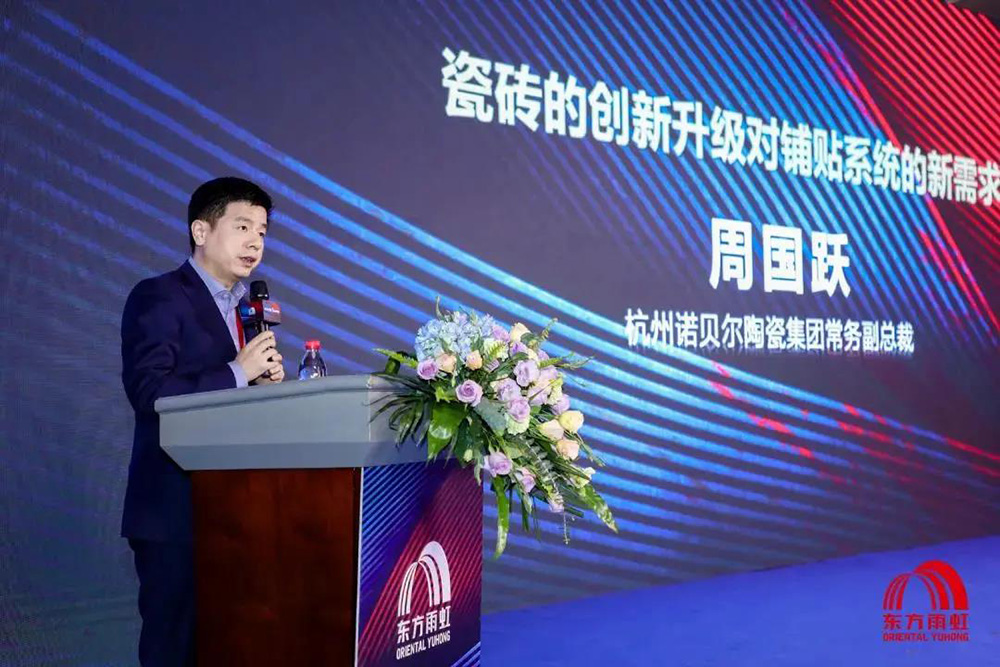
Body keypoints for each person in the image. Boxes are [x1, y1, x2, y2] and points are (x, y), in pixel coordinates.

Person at [120, 177, 285, 666]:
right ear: (200, 231)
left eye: (262, 231)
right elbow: (149, 393)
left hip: (240, 514)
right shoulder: (159, 296)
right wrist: (238, 372)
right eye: (242, 226)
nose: (255, 242)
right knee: (175, 650)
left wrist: (266, 389)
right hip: (177, 514)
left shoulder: (249, 312)